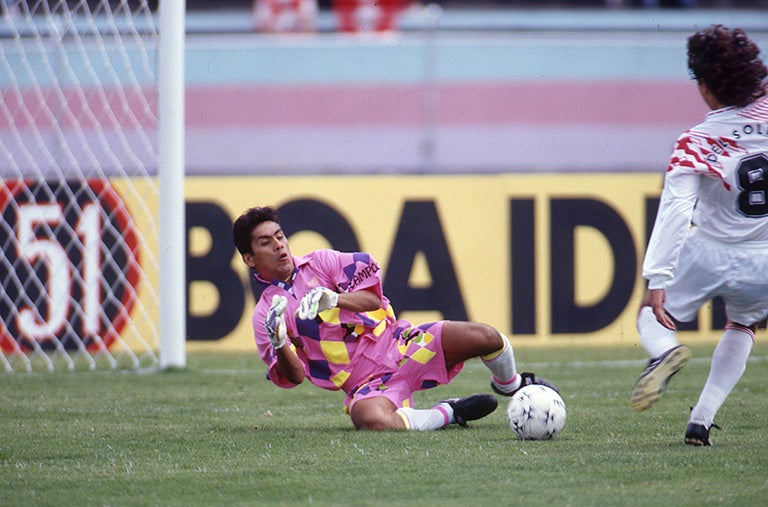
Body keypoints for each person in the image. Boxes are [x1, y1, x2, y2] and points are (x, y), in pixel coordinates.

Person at [233, 206, 555, 431]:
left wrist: (334, 298)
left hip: (403, 345)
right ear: (249, 259)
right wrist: (280, 343)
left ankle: (512, 385)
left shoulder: (322, 262)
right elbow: (294, 377)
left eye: (279, 236)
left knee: (488, 338)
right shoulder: (266, 314)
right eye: (266, 242)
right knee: (369, 420)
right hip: (365, 384)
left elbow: (372, 298)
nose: (279, 245)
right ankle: (450, 412)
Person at [629, 25, 768, 446]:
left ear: (706, 85)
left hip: (710, 249)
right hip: (764, 257)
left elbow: (676, 209)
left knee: (649, 317)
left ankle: (664, 352)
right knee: (742, 323)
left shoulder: (698, 140)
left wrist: (656, 278)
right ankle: (701, 419)